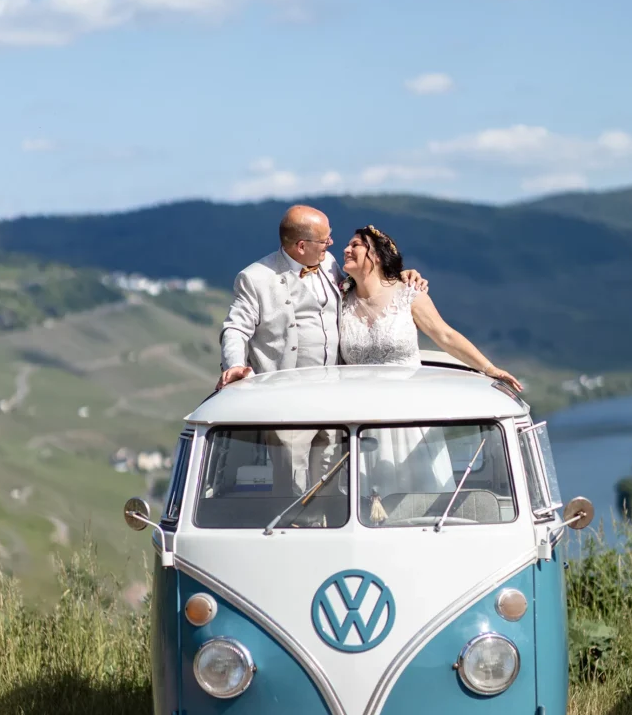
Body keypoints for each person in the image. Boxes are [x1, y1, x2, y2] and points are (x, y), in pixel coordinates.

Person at [216, 206, 427, 496]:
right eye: (325, 240)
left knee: (336, 483)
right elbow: (235, 328)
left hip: (335, 399)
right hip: (286, 402)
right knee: (293, 489)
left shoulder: (328, 264)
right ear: (301, 246)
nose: (331, 245)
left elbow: (368, 281)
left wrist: (400, 276)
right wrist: (234, 364)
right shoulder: (255, 278)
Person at [338, 224, 523, 502]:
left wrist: (489, 368)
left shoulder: (408, 293)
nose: (346, 249)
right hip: (359, 421)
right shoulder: (339, 298)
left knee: (419, 499)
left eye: (355, 245)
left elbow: (445, 335)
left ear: (375, 256)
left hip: (407, 417)